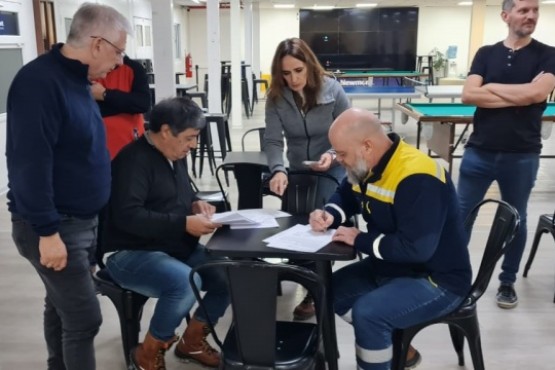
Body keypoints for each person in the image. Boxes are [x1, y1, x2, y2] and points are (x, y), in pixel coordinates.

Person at [5, 3, 131, 370]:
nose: (120, 62)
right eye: (118, 50)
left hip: (80, 221)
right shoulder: (39, 83)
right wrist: (47, 232)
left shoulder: (78, 81)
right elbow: (28, 163)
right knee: (83, 318)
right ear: (97, 43)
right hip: (55, 225)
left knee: (60, 308)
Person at [309, 108, 472, 370]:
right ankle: (397, 344)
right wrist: (330, 215)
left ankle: (385, 343)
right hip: (392, 266)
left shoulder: (418, 176)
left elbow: (416, 249)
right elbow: (347, 194)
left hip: (438, 279)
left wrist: (359, 239)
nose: (338, 160)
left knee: (369, 314)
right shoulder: (367, 164)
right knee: (329, 290)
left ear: (366, 146)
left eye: (341, 154)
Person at [100, 96, 229, 370]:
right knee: (183, 283)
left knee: (230, 276)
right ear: (166, 131)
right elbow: (127, 217)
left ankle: (191, 342)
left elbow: (178, 193)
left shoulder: (173, 153)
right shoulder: (133, 161)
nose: (193, 145)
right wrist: (183, 223)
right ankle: (147, 353)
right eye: (190, 138)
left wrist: (195, 202)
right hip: (129, 252)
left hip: (173, 246)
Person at [460, 0, 555, 309]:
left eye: (535, 10)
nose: (530, 16)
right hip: (479, 151)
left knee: (515, 219)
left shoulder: (548, 54)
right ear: (506, 15)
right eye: (523, 10)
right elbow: (468, 95)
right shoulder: (486, 54)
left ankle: (507, 281)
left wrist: (493, 88)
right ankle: (454, 277)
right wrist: (519, 95)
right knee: (461, 217)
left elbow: (537, 94)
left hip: (522, 154)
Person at [264, 37, 350, 320]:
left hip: (333, 169)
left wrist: (331, 154)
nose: (293, 79)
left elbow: (348, 131)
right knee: (295, 226)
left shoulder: (332, 89)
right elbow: (273, 140)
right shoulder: (276, 96)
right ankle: (307, 279)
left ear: (309, 66)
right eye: (286, 73)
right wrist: (277, 169)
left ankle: (316, 291)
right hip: (297, 169)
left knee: (319, 223)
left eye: (298, 71)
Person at [91, 55, 151, 159]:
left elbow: (142, 104)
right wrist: (125, 104)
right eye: (116, 51)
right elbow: (87, 109)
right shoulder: (88, 71)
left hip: (130, 148)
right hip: (96, 149)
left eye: (120, 51)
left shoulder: (133, 68)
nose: (120, 59)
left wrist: (104, 94)